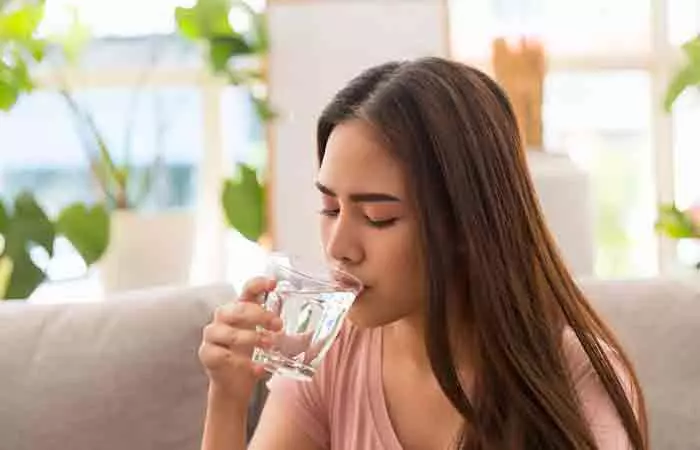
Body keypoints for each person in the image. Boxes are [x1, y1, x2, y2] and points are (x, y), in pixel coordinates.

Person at [198, 57, 648, 450]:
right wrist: (228, 398)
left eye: (377, 216)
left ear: (465, 225)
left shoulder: (577, 379)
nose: (339, 247)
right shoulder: (332, 358)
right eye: (330, 208)